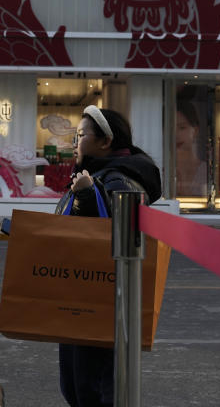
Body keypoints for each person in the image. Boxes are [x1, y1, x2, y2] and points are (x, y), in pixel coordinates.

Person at [54, 105, 162, 407]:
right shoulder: (95, 174)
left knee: (96, 387)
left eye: (81, 135)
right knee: (78, 385)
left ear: (105, 141)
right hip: (82, 293)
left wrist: (88, 196)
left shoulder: (120, 179)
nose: (75, 142)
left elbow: (125, 236)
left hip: (102, 299)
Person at [175, 99, 207, 197]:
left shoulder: (206, 171)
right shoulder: (161, 171)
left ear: (195, 130)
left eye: (182, 128)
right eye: (171, 128)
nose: (176, 135)